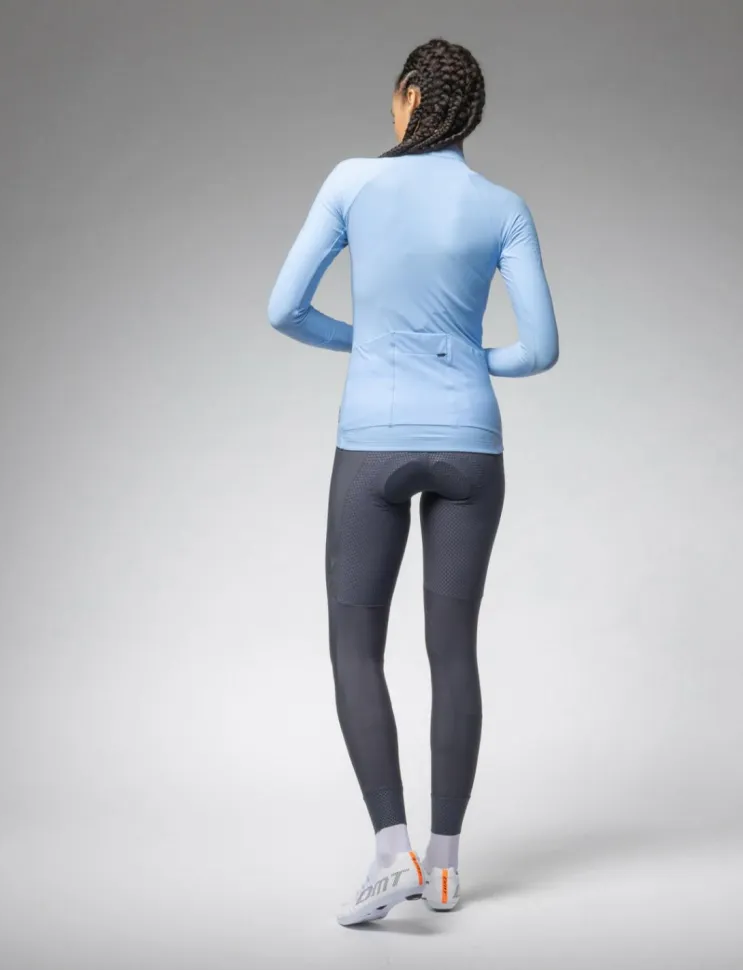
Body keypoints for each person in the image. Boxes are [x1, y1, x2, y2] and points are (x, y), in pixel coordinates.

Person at [267, 37, 559, 926]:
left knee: (356, 646)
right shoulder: (503, 207)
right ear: (469, 115)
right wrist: (467, 357)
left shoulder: (353, 182)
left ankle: (390, 851)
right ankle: (446, 866)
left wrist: (369, 343)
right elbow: (541, 349)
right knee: (453, 651)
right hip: (472, 445)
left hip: (373, 443)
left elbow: (285, 308)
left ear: (409, 96)